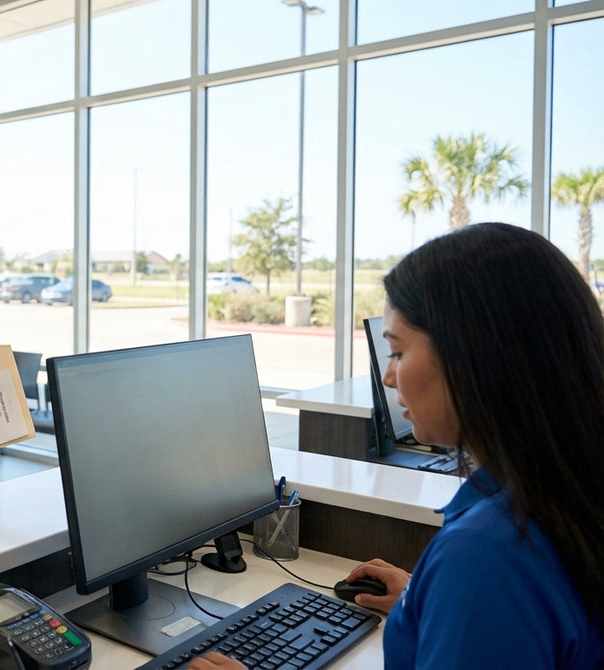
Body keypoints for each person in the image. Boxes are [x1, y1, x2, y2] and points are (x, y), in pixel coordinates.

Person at [191, 222, 604, 669]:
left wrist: (464, 595)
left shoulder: (489, 557)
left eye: (399, 351)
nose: (389, 377)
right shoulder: (566, 491)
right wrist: (428, 601)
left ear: (474, 356)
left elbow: (501, 588)